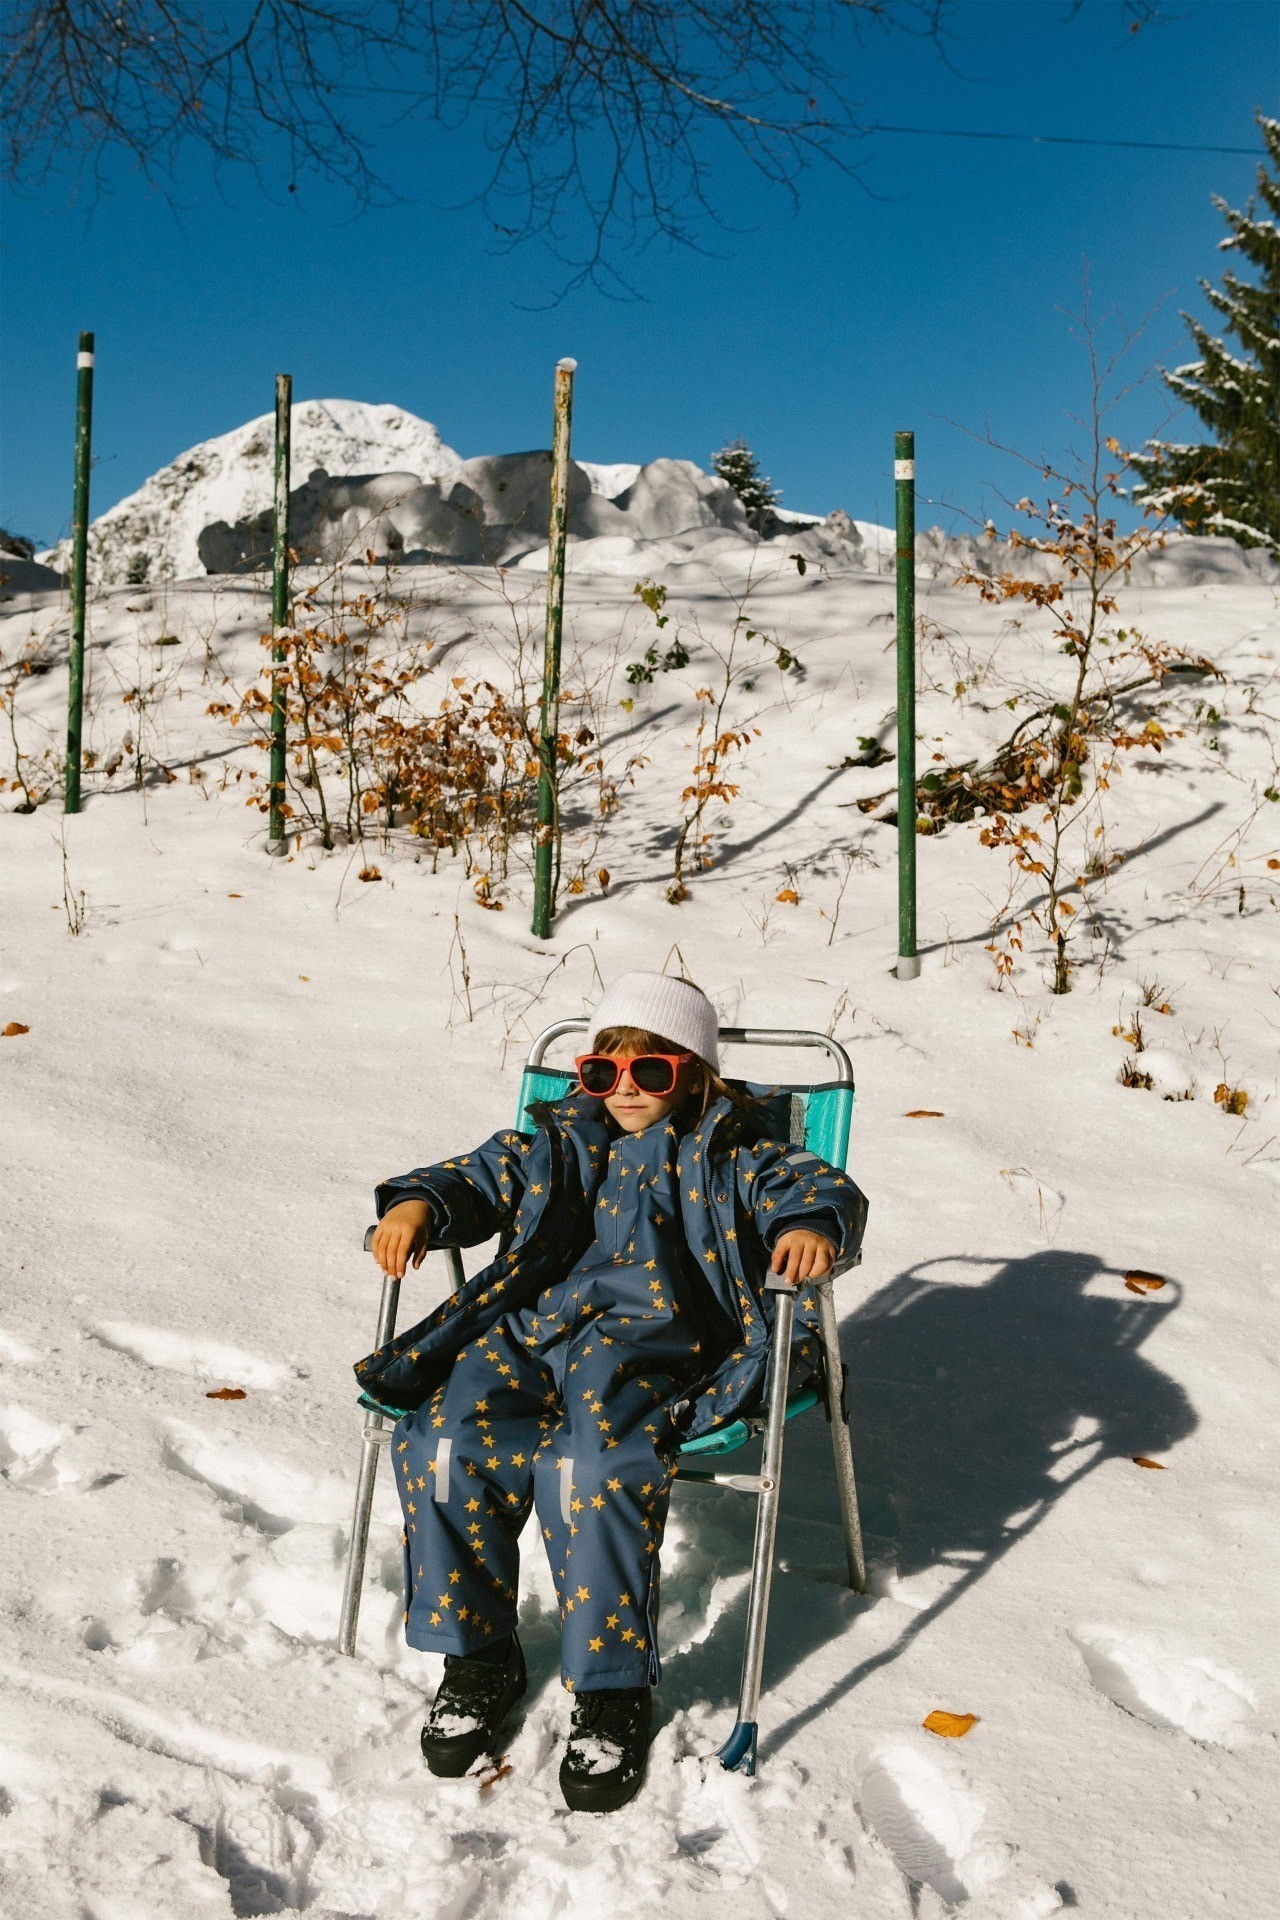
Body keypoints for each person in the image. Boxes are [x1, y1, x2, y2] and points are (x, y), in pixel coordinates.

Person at [357, 971, 867, 1812]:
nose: (624, 1089)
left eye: (651, 1070)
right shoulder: (554, 1141)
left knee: (588, 1469)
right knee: (441, 1440)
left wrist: (810, 1226)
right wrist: (417, 1206)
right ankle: (478, 1658)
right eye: (603, 1071)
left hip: (653, 1345)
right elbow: (475, 1178)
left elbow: (815, 1189)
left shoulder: (732, 1152)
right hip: (531, 1332)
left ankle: (610, 1690)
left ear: (695, 1075)